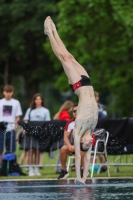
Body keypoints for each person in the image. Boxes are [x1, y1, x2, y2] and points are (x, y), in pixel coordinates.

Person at [44, 16, 98, 185]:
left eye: (87, 145)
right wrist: (85, 178)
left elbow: (79, 156)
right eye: (90, 145)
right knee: (70, 56)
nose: (90, 144)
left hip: (79, 88)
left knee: (64, 58)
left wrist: (78, 178)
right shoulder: (92, 126)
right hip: (88, 83)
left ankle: (50, 33)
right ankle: (55, 30)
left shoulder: (79, 129)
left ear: (81, 140)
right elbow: (88, 158)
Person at [21, 93, 51, 176]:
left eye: (40, 99)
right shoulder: (30, 110)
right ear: (34, 101)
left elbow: (47, 122)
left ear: (42, 100)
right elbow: (26, 121)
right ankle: (30, 169)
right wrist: (24, 129)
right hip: (31, 133)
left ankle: (36, 169)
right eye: (36, 99)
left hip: (40, 133)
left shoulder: (46, 111)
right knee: (30, 151)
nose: (38, 101)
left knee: (38, 151)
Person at [58, 104, 85, 179]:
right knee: (63, 148)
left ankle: (83, 169)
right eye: (74, 111)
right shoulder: (70, 123)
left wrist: (76, 145)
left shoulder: (86, 122)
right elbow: (65, 137)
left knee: (82, 149)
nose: (76, 112)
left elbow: (86, 137)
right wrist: (69, 146)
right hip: (74, 145)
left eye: (77, 111)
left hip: (85, 144)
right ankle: (63, 171)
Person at [0, 85, 22, 169]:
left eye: (10, 92)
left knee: (11, 149)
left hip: (11, 128)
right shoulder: (1, 102)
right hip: (1, 128)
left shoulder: (16, 102)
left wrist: (15, 127)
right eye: (6, 92)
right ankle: (1, 166)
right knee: (0, 149)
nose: (8, 94)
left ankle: (9, 167)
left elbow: (17, 117)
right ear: (3, 92)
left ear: (12, 93)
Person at [54, 100, 73, 173]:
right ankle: (60, 168)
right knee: (63, 152)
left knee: (61, 152)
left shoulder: (60, 113)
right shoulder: (65, 115)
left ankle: (58, 167)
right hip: (63, 135)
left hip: (59, 135)